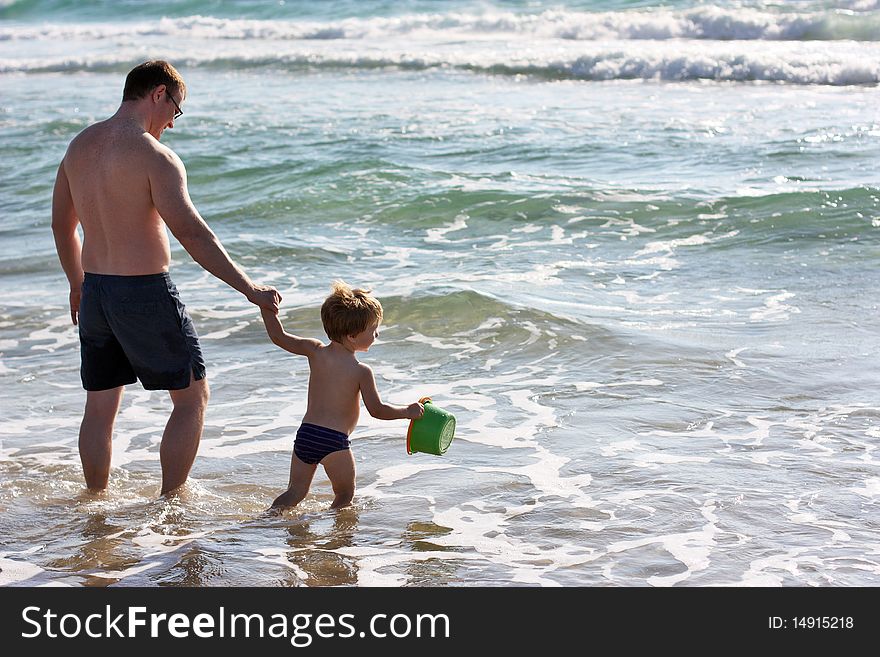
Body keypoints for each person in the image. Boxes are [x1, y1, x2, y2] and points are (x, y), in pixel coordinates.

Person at [51, 60, 281, 495]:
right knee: (192, 398)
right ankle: (169, 504)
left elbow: (62, 226)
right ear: (159, 94)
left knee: (100, 406)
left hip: (97, 290)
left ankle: (94, 500)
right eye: (176, 110)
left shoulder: (79, 146)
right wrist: (249, 288)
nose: (173, 124)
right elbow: (193, 234)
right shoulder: (155, 157)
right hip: (144, 292)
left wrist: (77, 283)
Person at [260, 281, 424, 509]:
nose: (376, 334)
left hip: (306, 434)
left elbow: (278, 336)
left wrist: (265, 307)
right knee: (345, 494)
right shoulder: (361, 371)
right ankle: (337, 540)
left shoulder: (314, 350)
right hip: (333, 441)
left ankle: (266, 522)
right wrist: (407, 412)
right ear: (352, 336)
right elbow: (377, 410)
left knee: (295, 492)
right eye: (373, 329)